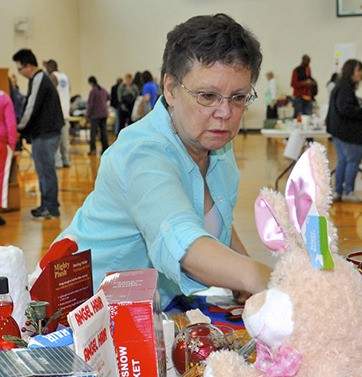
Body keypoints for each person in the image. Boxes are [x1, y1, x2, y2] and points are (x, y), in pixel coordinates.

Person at [55, 14, 271, 308]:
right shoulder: (142, 154)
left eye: (238, 97)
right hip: (80, 309)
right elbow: (184, 244)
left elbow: (215, 216)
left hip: (156, 307)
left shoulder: (214, 140)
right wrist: (259, 275)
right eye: (208, 96)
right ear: (170, 89)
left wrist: (242, 269)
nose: (225, 112)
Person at [12, 48, 64, 219]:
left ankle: (51, 208)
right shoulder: (38, 78)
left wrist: (19, 128)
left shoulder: (39, 79)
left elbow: (31, 107)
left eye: (19, 69)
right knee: (43, 171)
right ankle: (46, 205)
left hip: (46, 133)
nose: (19, 73)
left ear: (28, 66)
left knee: (46, 171)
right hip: (44, 133)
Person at [326, 58, 362, 203]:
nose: (361, 74)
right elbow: (345, 109)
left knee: (343, 160)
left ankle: (338, 191)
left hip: (338, 130)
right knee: (352, 160)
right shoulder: (345, 87)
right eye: (359, 71)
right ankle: (348, 191)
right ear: (351, 71)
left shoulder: (341, 84)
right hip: (347, 131)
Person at [45, 59, 71, 168]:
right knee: (65, 140)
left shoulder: (53, 77)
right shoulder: (65, 77)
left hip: (56, 114)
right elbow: (69, 90)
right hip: (66, 112)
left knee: (55, 140)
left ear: (50, 68)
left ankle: (57, 162)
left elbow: (48, 93)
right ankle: (66, 160)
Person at [0, 86, 17, 215]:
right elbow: (11, 123)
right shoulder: (4, 98)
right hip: (2, 143)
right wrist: (12, 144)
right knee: (1, 176)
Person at [86, 76, 110, 155]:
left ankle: (93, 149)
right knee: (104, 132)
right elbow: (108, 97)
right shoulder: (103, 89)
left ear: (91, 83)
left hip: (96, 115)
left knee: (93, 133)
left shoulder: (93, 91)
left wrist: (87, 114)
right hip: (104, 113)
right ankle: (105, 148)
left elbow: (90, 104)